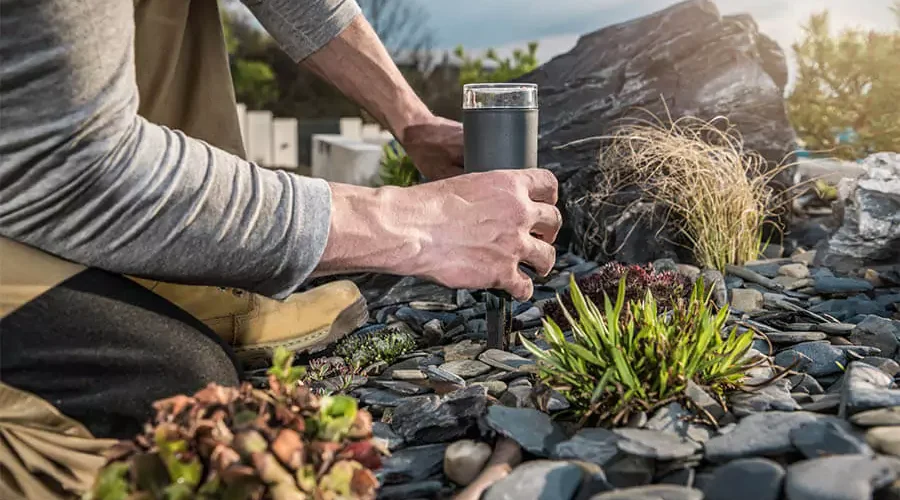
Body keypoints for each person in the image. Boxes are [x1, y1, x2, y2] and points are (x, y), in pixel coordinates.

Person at [0, 1, 560, 496]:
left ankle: (182, 278)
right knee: (159, 401)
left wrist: (411, 121)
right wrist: (415, 225)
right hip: (40, 166)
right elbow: (70, 164)